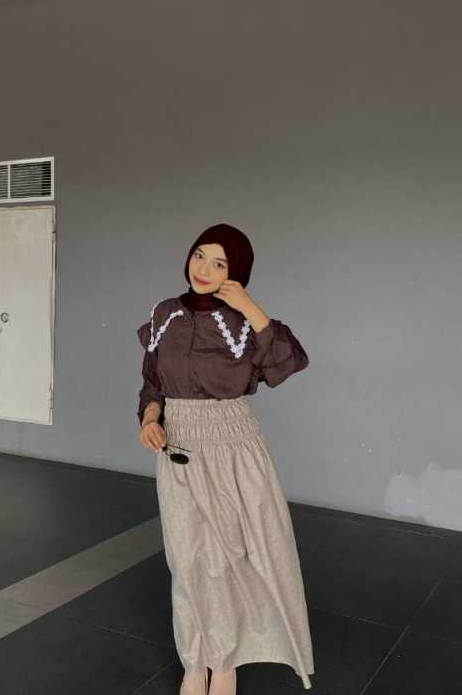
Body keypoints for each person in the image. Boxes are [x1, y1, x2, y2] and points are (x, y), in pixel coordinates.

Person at [136, 223, 315, 695]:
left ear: (236, 273)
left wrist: (250, 306)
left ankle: (226, 662)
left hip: (233, 443)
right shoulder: (164, 314)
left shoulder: (244, 320)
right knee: (186, 560)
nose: (204, 269)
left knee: (232, 558)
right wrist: (150, 418)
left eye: (220, 263)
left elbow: (288, 362)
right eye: (200, 255)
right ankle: (195, 661)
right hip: (177, 442)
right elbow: (152, 382)